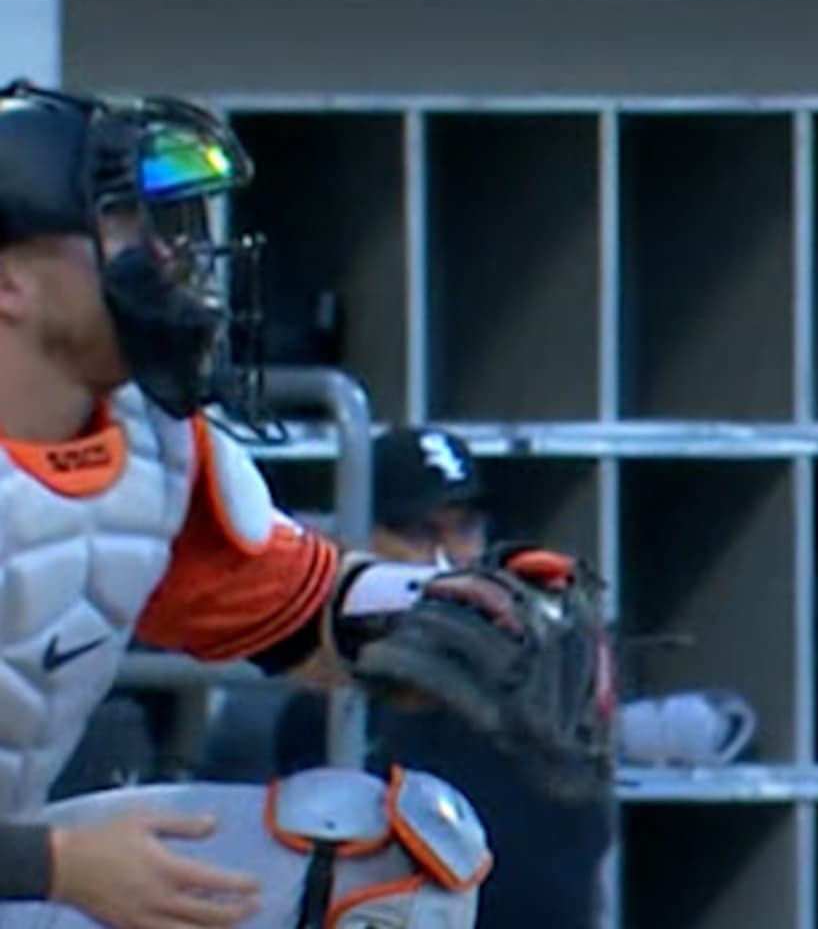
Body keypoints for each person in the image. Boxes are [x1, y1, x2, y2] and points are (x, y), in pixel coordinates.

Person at [0, 83, 521, 928]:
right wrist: (56, 866)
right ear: (10, 282)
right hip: (30, 866)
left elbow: (292, 611)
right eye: (120, 226)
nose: (163, 258)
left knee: (395, 852)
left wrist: (445, 617)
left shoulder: (151, 441)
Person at [274, 428, 614, 928]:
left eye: (465, 528)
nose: (447, 555)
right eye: (418, 532)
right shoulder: (316, 706)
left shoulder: (534, 672)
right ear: (359, 540)